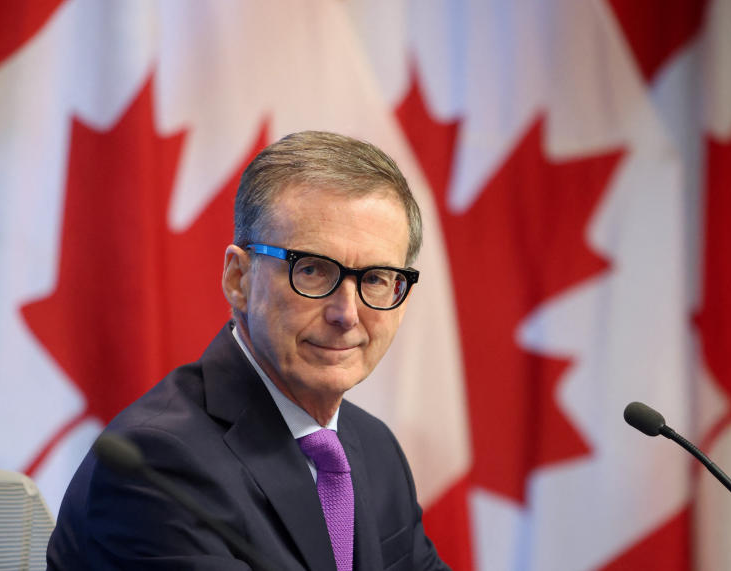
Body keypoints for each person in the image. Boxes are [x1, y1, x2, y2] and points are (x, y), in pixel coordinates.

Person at [46, 131, 450, 570]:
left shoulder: (374, 449)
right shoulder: (158, 466)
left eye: (374, 279)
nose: (346, 313)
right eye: (312, 270)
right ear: (239, 278)